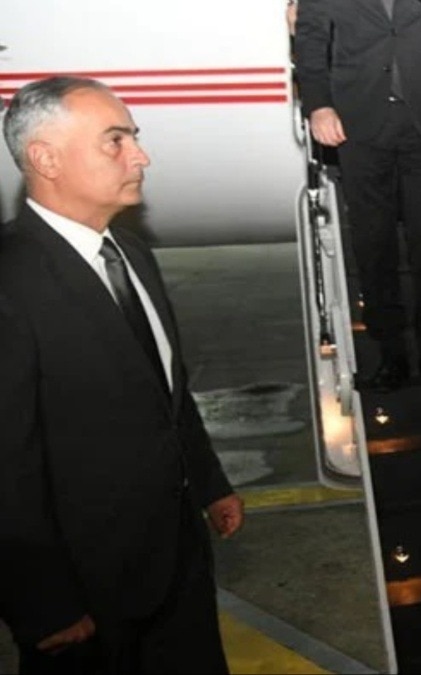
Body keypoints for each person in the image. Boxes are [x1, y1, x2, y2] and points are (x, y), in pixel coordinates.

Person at [0, 77, 244, 674]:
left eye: (134, 137)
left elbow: (166, 392)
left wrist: (209, 484)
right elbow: (6, 461)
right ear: (45, 159)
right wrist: (41, 601)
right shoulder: (10, 279)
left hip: (177, 563)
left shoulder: (132, 254)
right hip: (86, 594)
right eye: (116, 140)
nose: (141, 156)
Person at [294, 0, 421, 388]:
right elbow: (310, 38)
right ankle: (389, 352)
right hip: (358, 118)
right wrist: (318, 105)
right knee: (373, 244)